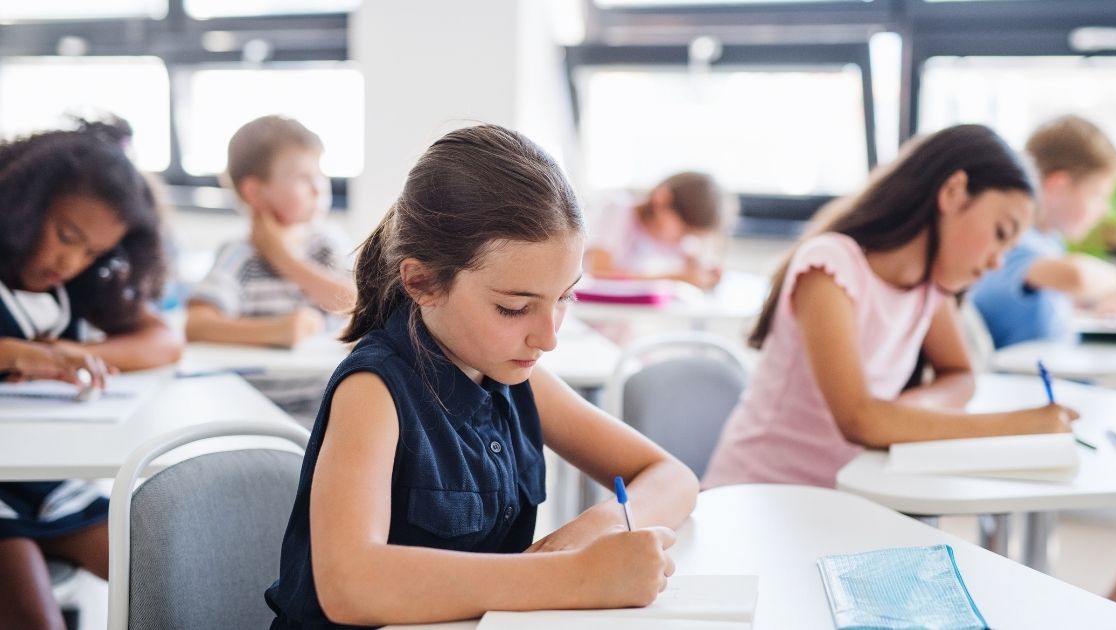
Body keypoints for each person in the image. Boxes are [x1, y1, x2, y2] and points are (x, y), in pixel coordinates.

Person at [265, 124, 698, 628]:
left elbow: (672, 477)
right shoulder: (374, 390)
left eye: (564, 297)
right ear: (422, 282)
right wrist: (574, 577)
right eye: (514, 308)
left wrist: (595, 531)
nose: (548, 337)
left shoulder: (515, 374)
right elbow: (349, 585)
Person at [702, 124, 1079, 491]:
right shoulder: (831, 266)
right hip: (757, 497)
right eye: (1000, 233)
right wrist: (1017, 425)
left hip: (846, 495)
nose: (998, 262)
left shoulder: (929, 288)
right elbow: (859, 421)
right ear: (953, 192)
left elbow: (960, 375)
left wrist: (899, 414)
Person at [0, 119, 182, 629]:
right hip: (1, 492)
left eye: (93, 253)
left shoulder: (69, 286)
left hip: (50, 483)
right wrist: (16, 353)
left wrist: (66, 350)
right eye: (65, 236)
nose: (71, 261)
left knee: (179, 582)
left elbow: (163, 340)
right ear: (22, 204)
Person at [185, 115, 355, 421]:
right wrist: (277, 331)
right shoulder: (240, 256)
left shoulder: (327, 245)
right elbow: (196, 326)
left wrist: (285, 260)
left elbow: (357, 303)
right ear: (255, 192)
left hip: (327, 407)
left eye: (320, 175)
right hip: (253, 413)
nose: (319, 188)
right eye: (303, 177)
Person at [971, 115, 1116, 349]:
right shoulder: (1013, 238)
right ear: (1058, 186)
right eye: (1098, 195)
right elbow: (1075, 276)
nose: (1103, 210)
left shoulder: (1049, 241)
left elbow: (1050, 301)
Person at [584, 171, 733, 290]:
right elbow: (600, 272)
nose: (683, 239)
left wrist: (705, 271)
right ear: (663, 199)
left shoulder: (673, 239)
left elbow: (694, 261)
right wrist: (675, 277)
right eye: (683, 230)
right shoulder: (618, 210)